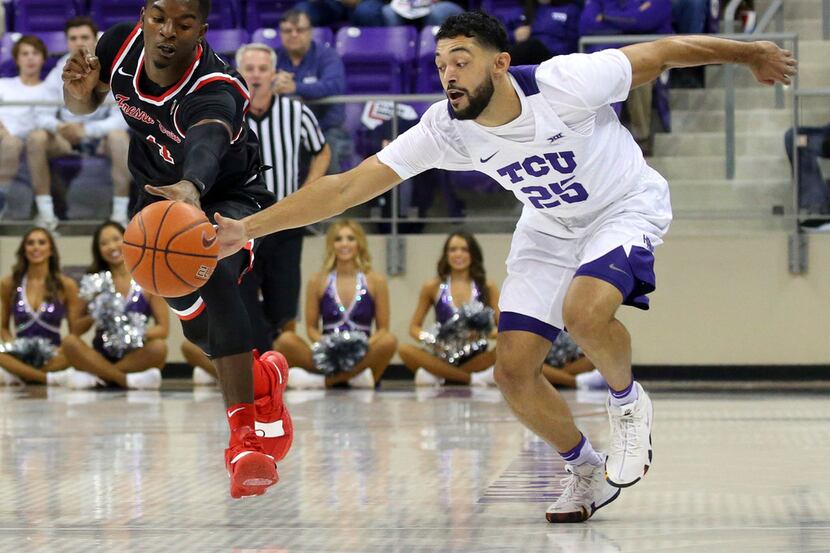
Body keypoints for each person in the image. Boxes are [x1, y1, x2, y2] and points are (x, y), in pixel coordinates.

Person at [215, 11, 796, 521]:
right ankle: (585, 469)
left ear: (499, 65)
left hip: (622, 205)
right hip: (547, 226)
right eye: (441, 63)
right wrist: (247, 229)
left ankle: (626, 403)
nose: (447, 74)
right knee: (513, 372)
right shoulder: (446, 129)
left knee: (585, 313)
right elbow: (344, 188)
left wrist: (749, 53)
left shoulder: (564, 82)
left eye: (461, 61)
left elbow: (664, 53)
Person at [62, 0, 294, 498]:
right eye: (159, 18)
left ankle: (244, 437)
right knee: (194, 324)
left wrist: (192, 186)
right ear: (144, 15)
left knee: (216, 275)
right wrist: (77, 96)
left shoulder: (218, 88)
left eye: (184, 23)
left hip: (224, 195)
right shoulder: (119, 43)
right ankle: (261, 380)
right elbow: (87, 102)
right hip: (155, 204)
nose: (168, 31)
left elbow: (207, 142)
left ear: (202, 30)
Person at [182, 42, 331, 385]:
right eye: (249, 68)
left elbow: (321, 152)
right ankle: (257, 374)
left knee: (284, 308)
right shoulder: (225, 111)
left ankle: (274, 368)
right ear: (238, 72)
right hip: (238, 224)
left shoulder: (297, 113)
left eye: (263, 69)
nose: (256, 75)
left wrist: (308, 191)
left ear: (274, 73)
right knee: (243, 301)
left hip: (285, 222)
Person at [275, 220, 397, 389]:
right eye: (338, 239)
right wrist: (327, 345)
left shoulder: (376, 281)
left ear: (359, 243)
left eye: (350, 238)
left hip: (361, 352)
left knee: (389, 341)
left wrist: (362, 347)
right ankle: (355, 378)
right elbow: (311, 328)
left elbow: (383, 330)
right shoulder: (317, 280)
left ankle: (323, 381)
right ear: (331, 244)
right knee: (285, 341)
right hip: (328, 351)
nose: (344, 244)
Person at [38, 17, 132, 226]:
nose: (79, 43)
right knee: (37, 139)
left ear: (96, 39)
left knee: (119, 138)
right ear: (66, 41)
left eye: (84, 37)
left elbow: (122, 117)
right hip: (65, 138)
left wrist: (88, 131)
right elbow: (40, 113)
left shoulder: (111, 68)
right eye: (73, 38)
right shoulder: (58, 72)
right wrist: (60, 127)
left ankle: (119, 214)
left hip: (100, 139)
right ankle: (46, 215)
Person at [60, 221, 169, 389]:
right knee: (69, 343)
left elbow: (163, 329)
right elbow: (75, 330)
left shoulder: (147, 277)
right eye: (104, 243)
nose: (111, 246)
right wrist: (94, 311)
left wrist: (131, 334)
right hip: (100, 354)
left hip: (135, 353)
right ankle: (125, 380)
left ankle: (100, 377)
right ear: (98, 250)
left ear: (128, 239)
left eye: (116, 239)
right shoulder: (94, 281)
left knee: (159, 348)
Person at [398, 231, 501, 387]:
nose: (458, 254)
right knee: (405, 350)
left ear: (473, 254)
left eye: (464, 249)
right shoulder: (432, 286)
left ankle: (440, 376)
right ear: (446, 255)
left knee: (502, 351)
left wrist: (482, 333)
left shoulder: (487, 286)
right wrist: (433, 339)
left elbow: (503, 330)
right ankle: (472, 379)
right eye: (453, 250)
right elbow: (414, 328)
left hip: (476, 356)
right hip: (443, 354)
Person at [0, 227, 91, 386]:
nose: (36, 247)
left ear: (50, 250)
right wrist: (14, 347)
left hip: (54, 355)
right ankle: (48, 379)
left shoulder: (66, 285)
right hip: (20, 354)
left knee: (76, 354)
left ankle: (22, 375)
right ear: (24, 249)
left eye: (41, 243)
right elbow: (3, 327)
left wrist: (61, 350)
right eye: (30, 243)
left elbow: (74, 331)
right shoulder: (9, 283)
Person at [275, 10, 352, 173]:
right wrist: (272, 86)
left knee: (329, 154)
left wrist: (295, 87)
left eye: (300, 30)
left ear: (310, 31)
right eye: (288, 31)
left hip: (325, 128)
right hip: (286, 129)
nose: (294, 35)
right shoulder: (274, 58)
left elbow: (334, 86)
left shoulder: (327, 56)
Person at [0, 36, 58, 227]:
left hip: (36, 144)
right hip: (5, 139)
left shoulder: (49, 90)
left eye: (35, 53)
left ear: (43, 58)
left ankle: (45, 213)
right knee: (11, 143)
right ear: (17, 59)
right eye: (25, 54)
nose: (30, 58)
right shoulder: (3, 84)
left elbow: (49, 122)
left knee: (25, 142)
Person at [382, 0, 464, 27]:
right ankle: (398, 59)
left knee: (438, 12)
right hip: (402, 6)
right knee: (388, 12)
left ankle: (432, 55)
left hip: (435, 4)